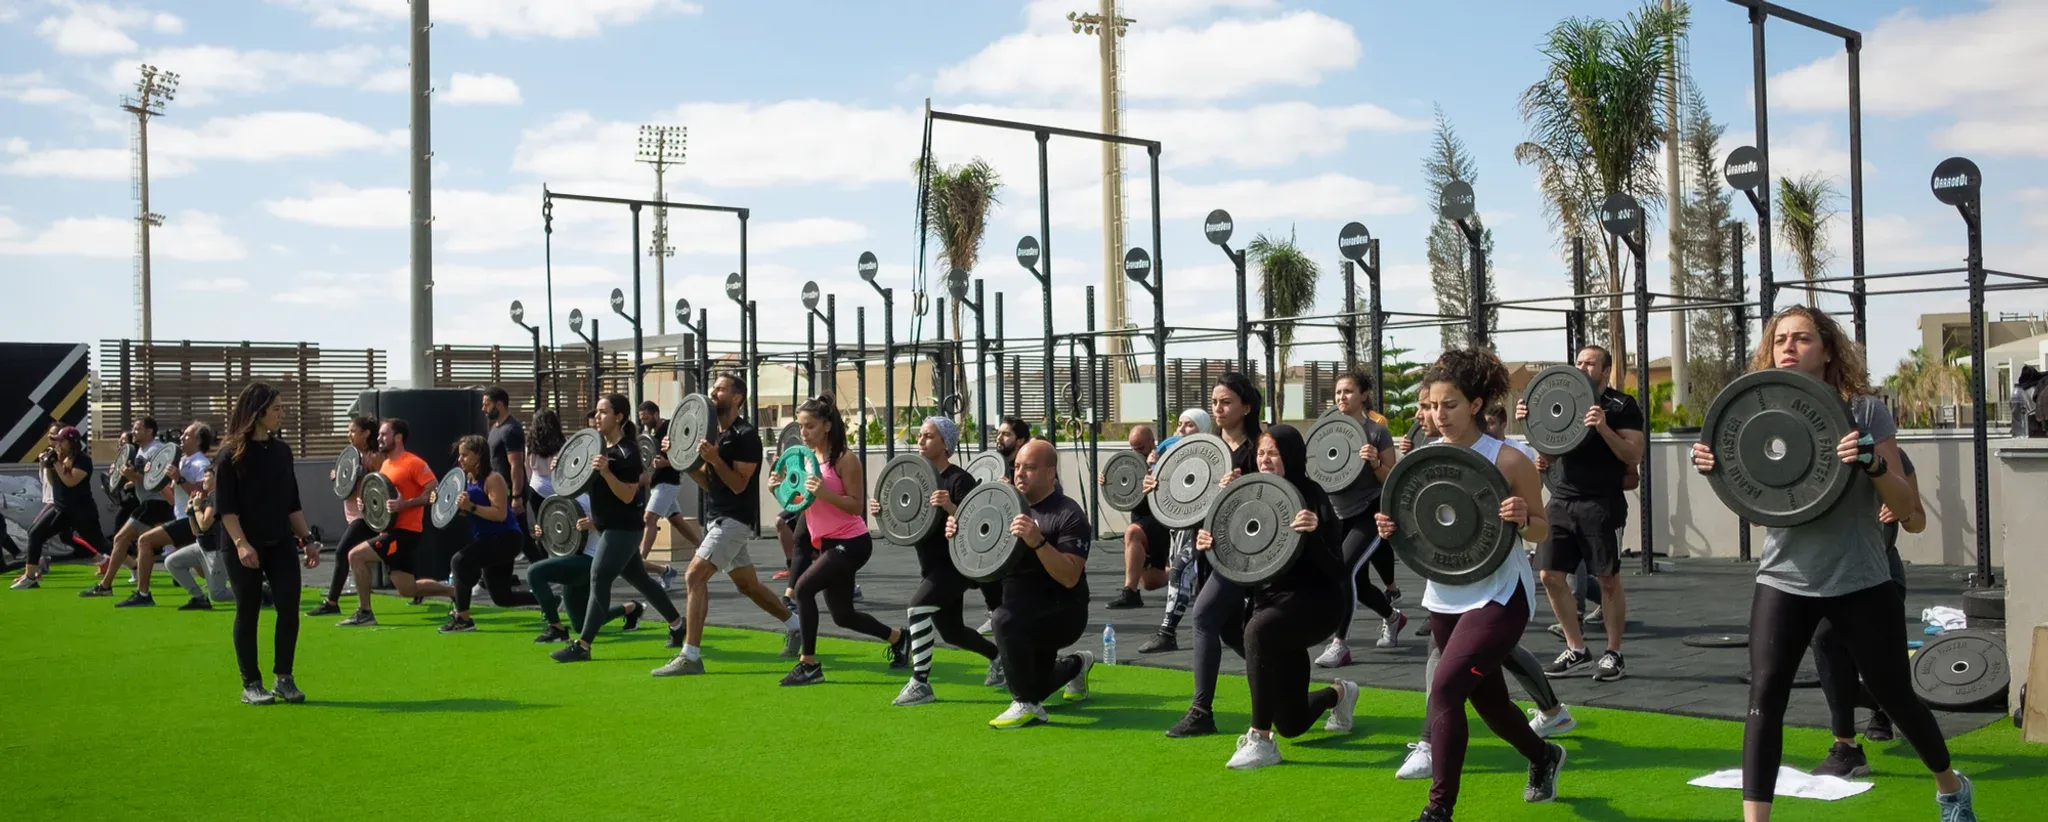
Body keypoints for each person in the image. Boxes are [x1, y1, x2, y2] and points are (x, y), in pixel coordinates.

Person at [1691, 305, 1972, 821]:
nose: (1788, 349)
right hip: (1784, 576)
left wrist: (1872, 462)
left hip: (1860, 577)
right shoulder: (1758, 412)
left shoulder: (1865, 412)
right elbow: (1756, 499)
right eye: (1780, 341)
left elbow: (1907, 508)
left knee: (1895, 695)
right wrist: (1716, 467)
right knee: (1764, 695)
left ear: (1827, 351)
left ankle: (1951, 788)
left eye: (1801, 339)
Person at [1375, 348, 1565, 822]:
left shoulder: (1509, 459)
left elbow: (1542, 529)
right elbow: (1420, 529)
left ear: (1477, 404)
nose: (1438, 416)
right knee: (1492, 705)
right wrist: (1391, 527)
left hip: (1502, 595)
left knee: (1443, 689)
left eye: (1450, 405)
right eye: (1432, 407)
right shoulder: (1423, 460)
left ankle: (1439, 811)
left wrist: (1524, 518)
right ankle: (1543, 756)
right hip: (1445, 594)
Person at [1196, 424, 1359, 769]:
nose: (1265, 459)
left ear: (1291, 456)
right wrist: (1209, 548)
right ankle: (1340, 693)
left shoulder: (1312, 496)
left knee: (1257, 630)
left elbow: (1337, 571)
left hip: (1317, 603)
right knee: (1292, 723)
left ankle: (1260, 740)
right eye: (1261, 453)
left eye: (1273, 453)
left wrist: (1313, 535)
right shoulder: (1250, 495)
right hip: (1273, 607)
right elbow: (1238, 561)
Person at [652, 374, 803, 677]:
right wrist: (682, 459)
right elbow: (711, 483)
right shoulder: (714, 435)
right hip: (716, 518)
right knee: (747, 585)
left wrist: (716, 459)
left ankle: (691, 655)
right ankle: (796, 626)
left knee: (694, 576)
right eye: (714, 387)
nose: (713, 392)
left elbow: (737, 485)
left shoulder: (745, 436)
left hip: (734, 521)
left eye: (720, 389)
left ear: (737, 398)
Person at [947, 439, 1094, 728]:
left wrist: (1037, 541)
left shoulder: (1069, 514)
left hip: (1062, 613)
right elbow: (979, 567)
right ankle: (1077, 664)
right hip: (1022, 610)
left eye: (1029, 468)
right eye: (1017, 467)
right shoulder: (1003, 508)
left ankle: (1026, 706)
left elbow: (1070, 576)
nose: (1019, 474)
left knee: (1002, 619)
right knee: (1038, 685)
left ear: (1050, 473)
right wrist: (959, 530)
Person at [1518, 345, 1643, 683]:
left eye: (1591, 363)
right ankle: (1577, 649)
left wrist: (1602, 427)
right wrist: (1531, 422)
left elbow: (1634, 455)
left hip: (1601, 503)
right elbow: (1549, 453)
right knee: (1549, 575)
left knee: (1607, 579)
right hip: (1561, 500)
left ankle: (1614, 654)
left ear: (1606, 371)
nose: (1583, 367)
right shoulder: (1562, 400)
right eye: (1579, 362)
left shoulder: (1621, 406)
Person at [775, 395, 908, 686]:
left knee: (803, 589)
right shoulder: (808, 462)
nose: (804, 432)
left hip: (853, 542)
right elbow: (801, 502)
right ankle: (899, 638)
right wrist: (781, 488)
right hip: (828, 544)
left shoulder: (845, 459)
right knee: (843, 616)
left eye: (809, 426)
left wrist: (826, 494)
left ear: (826, 425)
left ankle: (808, 665)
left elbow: (856, 505)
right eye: (800, 427)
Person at [550, 394, 689, 663]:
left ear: (619, 417)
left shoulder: (628, 452)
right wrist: (562, 469)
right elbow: (575, 484)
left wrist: (606, 474)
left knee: (599, 577)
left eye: (603, 412)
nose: (597, 417)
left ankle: (584, 644)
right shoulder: (598, 451)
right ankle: (677, 624)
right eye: (597, 412)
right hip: (609, 528)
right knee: (642, 581)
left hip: (623, 529)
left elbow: (627, 495)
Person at [1162, 373, 1264, 738]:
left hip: (1245, 554)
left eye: (1226, 403)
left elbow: (1271, 502)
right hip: (1208, 549)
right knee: (1234, 632)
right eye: (1215, 402)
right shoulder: (1201, 449)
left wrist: (1241, 487)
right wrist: (1156, 488)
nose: (1218, 409)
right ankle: (1286, 691)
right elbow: (1183, 500)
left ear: (1246, 407)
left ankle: (1201, 711)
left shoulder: (1258, 449)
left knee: (1204, 616)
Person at [1809, 450, 1924, 777]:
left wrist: (1900, 512)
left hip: (1882, 574)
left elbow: (1918, 520)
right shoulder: (1809, 450)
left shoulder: (1894, 457)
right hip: (1828, 575)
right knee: (1826, 641)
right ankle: (1845, 745)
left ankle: (1883, 704)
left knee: (1881, 669)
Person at [215, 382, 323, 706]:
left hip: (280, 543)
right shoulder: (230, 455)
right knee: (248, 611)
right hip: (243, 545)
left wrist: (308, 540)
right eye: (276, 408)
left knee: (289, 609)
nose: (281, 413)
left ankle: (284, 679)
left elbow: (292, 503)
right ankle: (251, 683)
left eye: (281, 408)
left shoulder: (282, 451)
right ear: (257, 412)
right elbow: (226, 510)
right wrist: (242, 545)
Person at [885, 416, 1004, 706]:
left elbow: (979, 526)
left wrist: (950, 506)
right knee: (952, 633)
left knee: (916, 608)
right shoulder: (915, 479)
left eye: (928, 436)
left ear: (946, 444)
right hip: (931, 566)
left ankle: (920, 683)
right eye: (920, 436)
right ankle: (998, 658)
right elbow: (903, 523)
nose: (921, 441)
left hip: (955, 566)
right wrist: (882, 507)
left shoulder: (958, 479)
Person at [1315, 369, 1405, 668]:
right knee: (1359, 583)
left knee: (1344, 571)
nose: (1342, 397)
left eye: (1349, 392)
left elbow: (1391, 478)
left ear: (1364, 396)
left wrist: (1376, 462)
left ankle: (1339, 644)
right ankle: (1393, 618)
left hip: (1369, 511)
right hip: (1336, 515)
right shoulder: (1325, 430)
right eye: (1339, 392)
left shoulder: (1377, 432)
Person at [337, 418, 456, 625]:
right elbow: (382, 501)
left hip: (405, 532)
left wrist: (405, 504)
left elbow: (434, 492)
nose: (379, 438)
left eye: (384, 434)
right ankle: (453, 590)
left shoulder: (414, 463)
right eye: (379, 435)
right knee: (407, 589)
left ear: (398, 437)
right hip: (389, 530)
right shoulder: (385, 465)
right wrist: (367, 505)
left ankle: (365, 613)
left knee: (355, 556)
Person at [98, 422, 218, 607]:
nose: (181, 438)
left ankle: (143, 594)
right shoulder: (183, 461)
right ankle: (206, 596)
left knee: (145, 541)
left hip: (192, 520)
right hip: (182, 518)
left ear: (198, 440)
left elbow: (204, 494)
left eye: (186, 435)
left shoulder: (200, 463)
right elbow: (171, 498)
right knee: (200, 568)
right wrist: (153, 477)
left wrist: (179, 478)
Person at [434, 435, 538, 633]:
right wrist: (439, 502)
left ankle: (463, 619)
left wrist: (471, 507)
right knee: (502, 598)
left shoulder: (493, 479)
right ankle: (547, 599)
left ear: (479, 456)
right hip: (489, 540)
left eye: (465, 455)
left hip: (506, 539)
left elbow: (499, 514)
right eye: (460, 455)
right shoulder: (467, 481)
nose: (460, 459)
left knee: (459, 561)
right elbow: (465, 511)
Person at [1139, 408, 1215, 654]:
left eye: (1189, 425)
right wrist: (1152, 474)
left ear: (1203, 429)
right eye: (1180, 425)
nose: (1181, 430)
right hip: (1186, 530)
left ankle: (1167, 632)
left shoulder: (1216, 455)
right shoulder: (1173, 459)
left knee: (1182, 572)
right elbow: (1162, 496)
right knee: (1184, 576)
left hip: (1215, 531)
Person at [82, 418, 179, 598]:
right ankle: (203, 579)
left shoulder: (156, 450)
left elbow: (156, 481)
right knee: (177, 542)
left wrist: (134, 476)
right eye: (133, 429)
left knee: (121, 538)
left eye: (137, 429)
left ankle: (106, 586)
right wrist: (126, 477)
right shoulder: (141, 450)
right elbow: (140, 478)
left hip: (156, 502)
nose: (133, 432)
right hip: (149, 503)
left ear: (149, 431)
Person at [14, 426, 112, 589]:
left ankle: (133, 566)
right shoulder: (60, 458)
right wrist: (49, 466)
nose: (57, 445)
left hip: (81, 510)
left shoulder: (82, 460)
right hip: (62, 509)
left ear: (71, 443)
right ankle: (30, 577)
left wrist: (56, 463)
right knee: (35, 533)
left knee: (99, 542)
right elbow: (55, 483)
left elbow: (70, 481)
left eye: (61, 441)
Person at [309, 417, 384, 617]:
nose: (348, 435)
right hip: (352, 513)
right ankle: (420, 588)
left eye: (352, 431)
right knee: (402, 576)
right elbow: (346, 487)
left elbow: (382, 487)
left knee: (342, 552)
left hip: (367, 516)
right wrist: (340, 477)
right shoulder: (351, 457)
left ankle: (332, 602)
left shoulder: (374, 457)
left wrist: (364, 475)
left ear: (366, 433)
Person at [973, 415, 1034, 633]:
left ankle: (1008, 615)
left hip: (1030, 532)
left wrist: (1013, 491)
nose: (999, 437)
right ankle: (997, 612)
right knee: (980, 563)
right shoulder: (997, 468)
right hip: (1001, 531)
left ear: (1020, 441)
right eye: (998, 433)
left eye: (1006, 434)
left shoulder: (1031, 467)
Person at [1103, 425, 1168, 609]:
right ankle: (1182, 575)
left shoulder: (1163, 461)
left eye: (1141, 448)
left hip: (1159, 521)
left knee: (1132, 533)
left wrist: (1154, 468)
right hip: (1139, 517)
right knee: (1149, 581)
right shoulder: (1128, 464)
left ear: (1152, 443)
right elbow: (1120, 489)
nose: (1136, 452)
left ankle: (1129, 593)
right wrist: (1107, 481)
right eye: (1133, 448)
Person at [635, 400, 697, 590]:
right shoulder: (648, 434)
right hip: (656, 484)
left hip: (669, 482)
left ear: (655, 414)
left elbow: (686, 456)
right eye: (641, 419)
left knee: (649, 518)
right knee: (676, 520)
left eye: (647, 418)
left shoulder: (671, 429)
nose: (645, 422)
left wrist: (667, 463)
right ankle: (705, 548)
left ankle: (640, 561)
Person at [481, 388, 540, 565]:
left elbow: (516, 465)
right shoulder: (496, 428)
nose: (483, 409)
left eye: (486, 404)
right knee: (505, 535)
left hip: (511, 493)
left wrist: (516, 497)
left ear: (499, 404)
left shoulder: (511, 429)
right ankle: (500, 577)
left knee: (522, 539)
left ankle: (548, 573)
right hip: (498, 491)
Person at [161, 463, 230, 610]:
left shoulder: (217, 496)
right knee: (172, 562)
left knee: (218, 595)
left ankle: (260, 591)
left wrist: (197, 508)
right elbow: (196, 531)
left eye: (207, 476)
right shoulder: (206, 498)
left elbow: (205, 523)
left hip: (215, 549)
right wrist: (191, 512)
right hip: (201, 546)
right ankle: (198, 598)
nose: (203, 479)